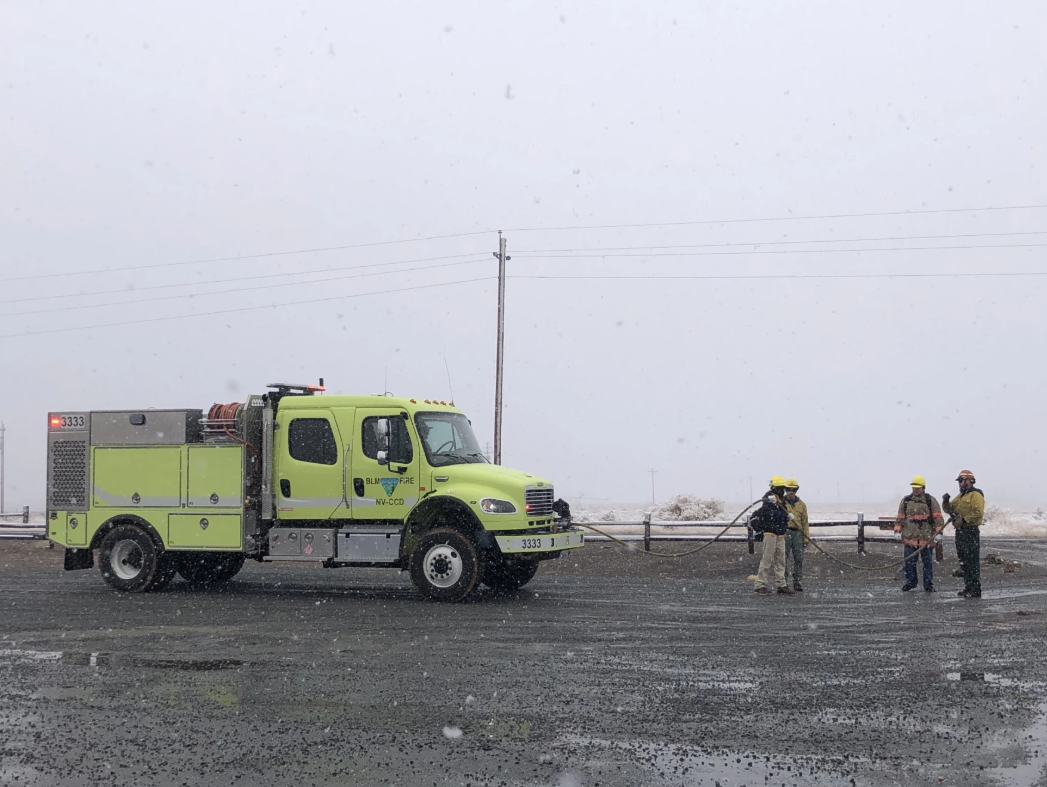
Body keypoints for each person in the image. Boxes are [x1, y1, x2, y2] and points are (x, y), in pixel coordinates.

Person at [893, 475, 944, 592]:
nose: (915, 490)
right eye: (914, 487)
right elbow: (900, 517)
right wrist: (897, 531)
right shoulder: (906, 501)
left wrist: (939, 533)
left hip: (926, 538)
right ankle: (910, 582)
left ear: (923, 487)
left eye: (918, 487)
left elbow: (938, 518)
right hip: (910, 538)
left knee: (927, 563)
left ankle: (928, 584)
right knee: (909, 563)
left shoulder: (930, 500)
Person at [942, 470, 985, 598]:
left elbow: (978, 512)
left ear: (969, 480)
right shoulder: (960, 497)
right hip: (960, 531)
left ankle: (975, 588)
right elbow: (949, 508)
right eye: (959, 481)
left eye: (961, 481)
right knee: (963, 560)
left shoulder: (975, 495)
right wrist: (946, 501)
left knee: (971, 560)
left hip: (970, 530)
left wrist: (964, 520)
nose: (959, 484)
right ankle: (968, 586)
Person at [753, 476, 795, 596]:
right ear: (774, 487)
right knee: (767, 559)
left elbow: (780, 516)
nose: (782, 490)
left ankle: (781, 585)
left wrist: (787, 517)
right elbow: (767, 514)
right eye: (780, 488)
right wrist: (770, 503)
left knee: (780, 561)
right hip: (770, 534)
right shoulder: (768, 500)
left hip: (781, 534)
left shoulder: (781, 501)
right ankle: (759, 585)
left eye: (783, 488)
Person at [783, 478, 809, 591]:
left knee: (799, 558)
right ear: (785, 490)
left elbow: (805, 522)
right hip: (785, 533)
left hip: (798, 533)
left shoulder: (802, 505)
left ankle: (797, 581)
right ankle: (783, 581)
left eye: (793, 489)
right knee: (783, 558)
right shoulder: (781, 503)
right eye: (789, 489)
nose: (791, 492)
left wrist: (806, 538)